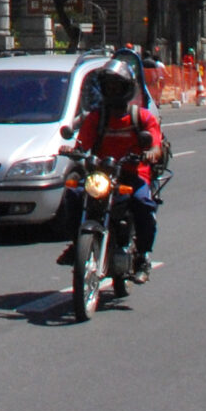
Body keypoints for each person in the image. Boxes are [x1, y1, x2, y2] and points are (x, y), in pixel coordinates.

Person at [60, 61, 168, 277]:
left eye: (116, 87)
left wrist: (151, 152)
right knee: (73, 194)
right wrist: (73, 149)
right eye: (108, 87)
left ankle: (143, 256)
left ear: (126, 89)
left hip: (133, 175)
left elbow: (155, 144)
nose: (112, 91)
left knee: (142, 203)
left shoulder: (142, 117)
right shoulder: (96, 118)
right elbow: (83, 143)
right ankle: (76, 243)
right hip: (102, 175)